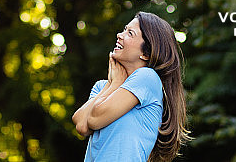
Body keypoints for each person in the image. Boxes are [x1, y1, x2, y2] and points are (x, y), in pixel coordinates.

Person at [72, 12, 190, 162]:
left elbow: (94, 119)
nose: (119, 35)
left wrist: (114, 84)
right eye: (124, 29)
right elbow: (81, 126)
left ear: (146, 54)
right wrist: (112, 84)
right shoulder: (102, 86)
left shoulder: (147, 78)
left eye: (130, 33)